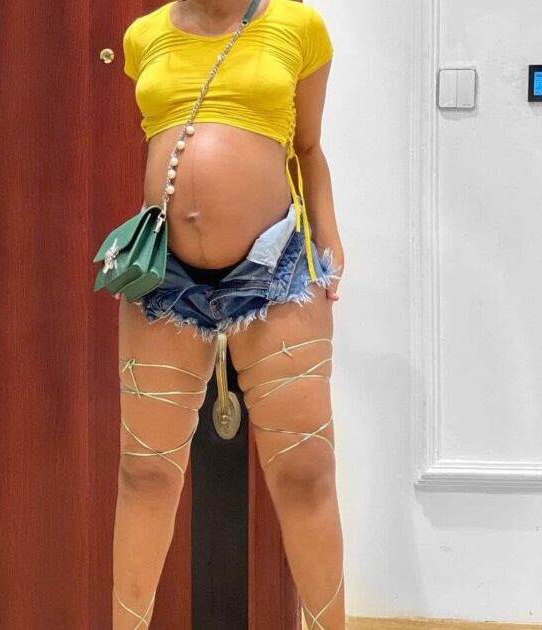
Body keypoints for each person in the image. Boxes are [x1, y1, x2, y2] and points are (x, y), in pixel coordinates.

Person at [112, 0, 345, 627]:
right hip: (162, 272)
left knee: (305, 472)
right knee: (143, 475)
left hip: (278, 267)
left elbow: (308, 147)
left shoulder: (297, 26)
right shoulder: (143, 36)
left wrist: (329, 240)